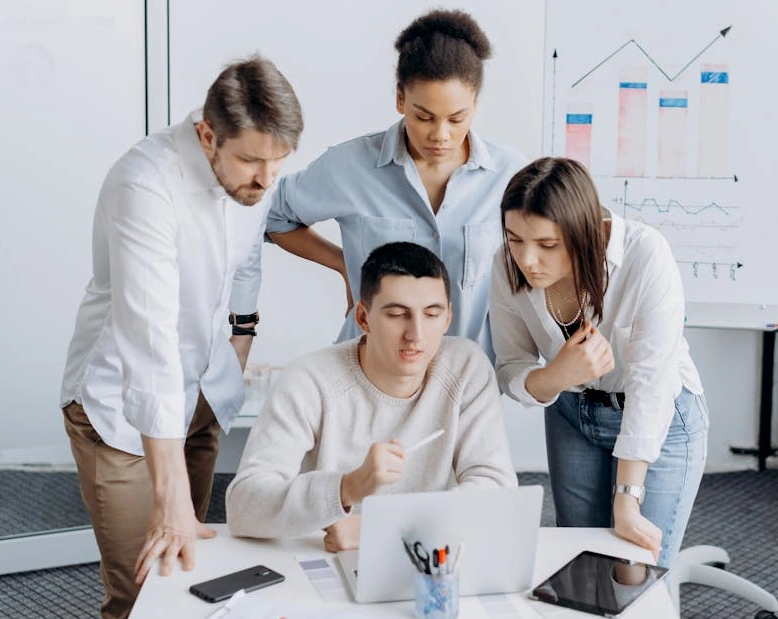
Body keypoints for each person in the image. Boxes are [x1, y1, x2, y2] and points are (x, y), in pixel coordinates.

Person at [59, 56, 303, 618]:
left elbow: (247, 257)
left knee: (191, 583)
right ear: (207, 135)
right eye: (251, 161)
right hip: (119, 411)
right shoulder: (145, 184)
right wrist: (171, 500)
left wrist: (241, 336)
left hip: (201, 392)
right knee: (142, 595)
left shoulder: (256, 167)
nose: (266, 180)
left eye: (279, 162)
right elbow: (149, 345)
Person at [265, 9, 527, 357]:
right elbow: (271, 215)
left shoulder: (511, 176)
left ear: (475, 104)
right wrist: (342, 264)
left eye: (456, 118)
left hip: (468, 375)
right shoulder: (350, 166)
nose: (440, 134)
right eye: (424, 116)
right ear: (400, 98)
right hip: (368, 370)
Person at [488, 157, 708, 568]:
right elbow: (511, 366)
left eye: (547, 245)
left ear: (583, 233)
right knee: (580, 566)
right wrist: (556, 375)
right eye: (515, 239)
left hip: (658, 419)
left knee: (634, 571)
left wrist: (627, 500)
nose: (527, 259)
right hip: (571, 415)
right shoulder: (506, 264)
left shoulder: (645, 254)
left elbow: (651, 386)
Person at [226, 242, 517, 550]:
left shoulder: (466, 367)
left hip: (433, 557)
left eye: (432, 314)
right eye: (397, 314)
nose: (416, 334)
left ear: (447, 318)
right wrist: (346, 488)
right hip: (332, 555)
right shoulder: (310, 380)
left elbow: (497, 491)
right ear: (363, 318)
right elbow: (243, 506)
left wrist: (378, 531)